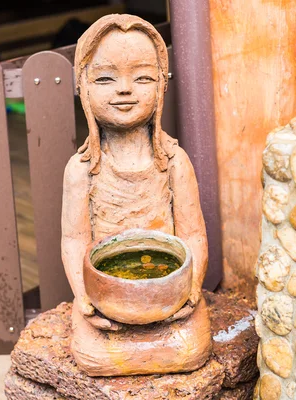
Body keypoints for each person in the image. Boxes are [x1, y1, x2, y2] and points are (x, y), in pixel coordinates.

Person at [61, 14, 211, 376]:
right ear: (82, 86)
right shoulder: (81, 169)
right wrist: (84, 299)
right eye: (105, 78)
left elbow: (192, 234)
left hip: (169, 296)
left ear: (162, 86)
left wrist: (191, 291)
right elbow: (74, 239)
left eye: (142, 77)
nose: (125, 89)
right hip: (106, 300)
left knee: (191, 350)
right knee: (94, 356)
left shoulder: (174, 162)